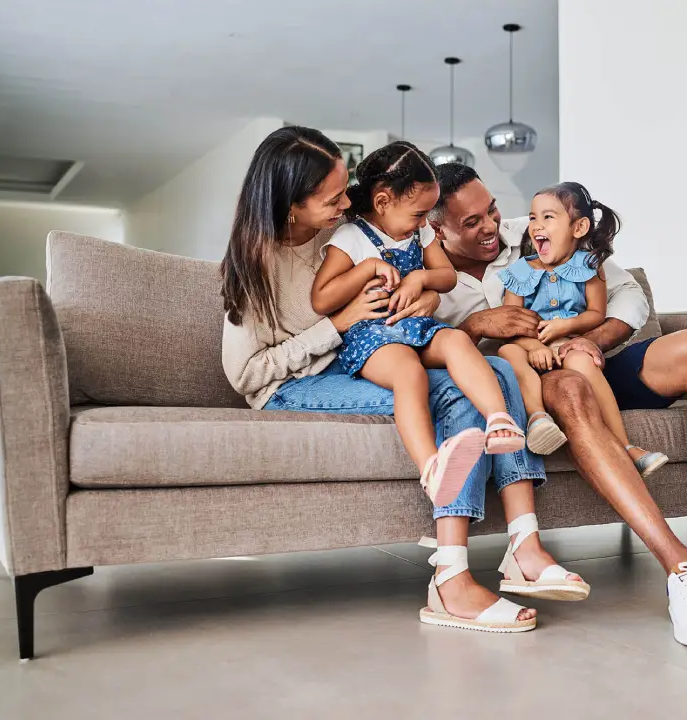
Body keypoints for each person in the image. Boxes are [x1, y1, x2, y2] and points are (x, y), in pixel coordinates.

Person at [220, 127, 587, 636]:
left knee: (499, 368)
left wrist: (426, 299)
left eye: (346, 188)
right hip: (294, 382)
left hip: (361, 353)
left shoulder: (343, 229)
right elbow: (246, 375)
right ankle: (454, 578)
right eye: (332, 197)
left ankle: (518, 545)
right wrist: (336, 326)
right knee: (445, 384)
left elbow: (415, 271)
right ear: (291, 205)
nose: (347, 202)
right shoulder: (254, 264)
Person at [429, 163, 687, 647]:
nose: (491, 227)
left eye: (492, 210)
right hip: (538, 382)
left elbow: (627, 295)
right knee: (567, 388)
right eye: (471, 222)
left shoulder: (534, 232)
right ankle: (681, 570)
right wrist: (478, 327)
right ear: (438, 229)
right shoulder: (426, 278)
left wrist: (589, 339)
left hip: (596, 361)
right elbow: (428, 353)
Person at [312, 141, 526, 507]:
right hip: (373, 337)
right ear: (383, 203)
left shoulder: (420, 233)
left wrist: (419, 280)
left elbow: (446, 276)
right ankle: (431, 467)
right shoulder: (350, 239)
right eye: (418, 214)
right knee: (410, 374)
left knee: (458, 341)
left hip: (415, 326)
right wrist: (366, 269)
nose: (425, 222)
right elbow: (321, 299)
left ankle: (499, 420)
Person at [497, 182, 669, 479]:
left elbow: (596, 314)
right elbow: (510, 326)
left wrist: (567, 326)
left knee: (581, 359)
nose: (536, 225)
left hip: (567, 345)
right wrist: (534, 347)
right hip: (528, 348)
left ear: (579, 228)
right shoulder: (519, 272)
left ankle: (627, 448)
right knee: (506, 351)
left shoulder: (590, 267)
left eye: (548, 217)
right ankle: (538, 418)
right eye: (533, 217)